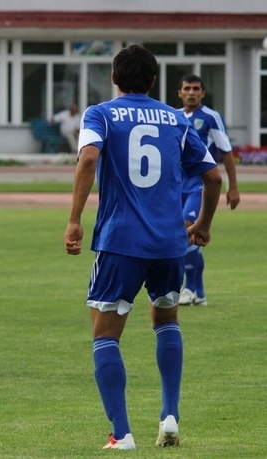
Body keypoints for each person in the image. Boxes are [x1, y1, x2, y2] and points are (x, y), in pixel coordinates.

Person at [63, 44, 222, 450]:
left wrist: (75, 218)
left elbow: (88, 159)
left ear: (114, 77)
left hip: (120, 241)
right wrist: (202, 225)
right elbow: (214, 177)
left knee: (106, 333)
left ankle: (121, 434)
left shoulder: (100, 114)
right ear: (153, 80)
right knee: (166, 320)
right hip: (170, 244)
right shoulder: (176, 119)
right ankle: (170, 414)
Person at [177, 74, 240, 306]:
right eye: (187, 88)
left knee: (187, 230)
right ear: (180, 93)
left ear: (203, 93)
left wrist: (233, 187)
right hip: (178, 186)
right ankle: (200, 293)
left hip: (200, 185)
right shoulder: (174, 117)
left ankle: (188, 288)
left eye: (196, 89)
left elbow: (226, 152)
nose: (191, 92)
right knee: (191, 237)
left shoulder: (211, 117)